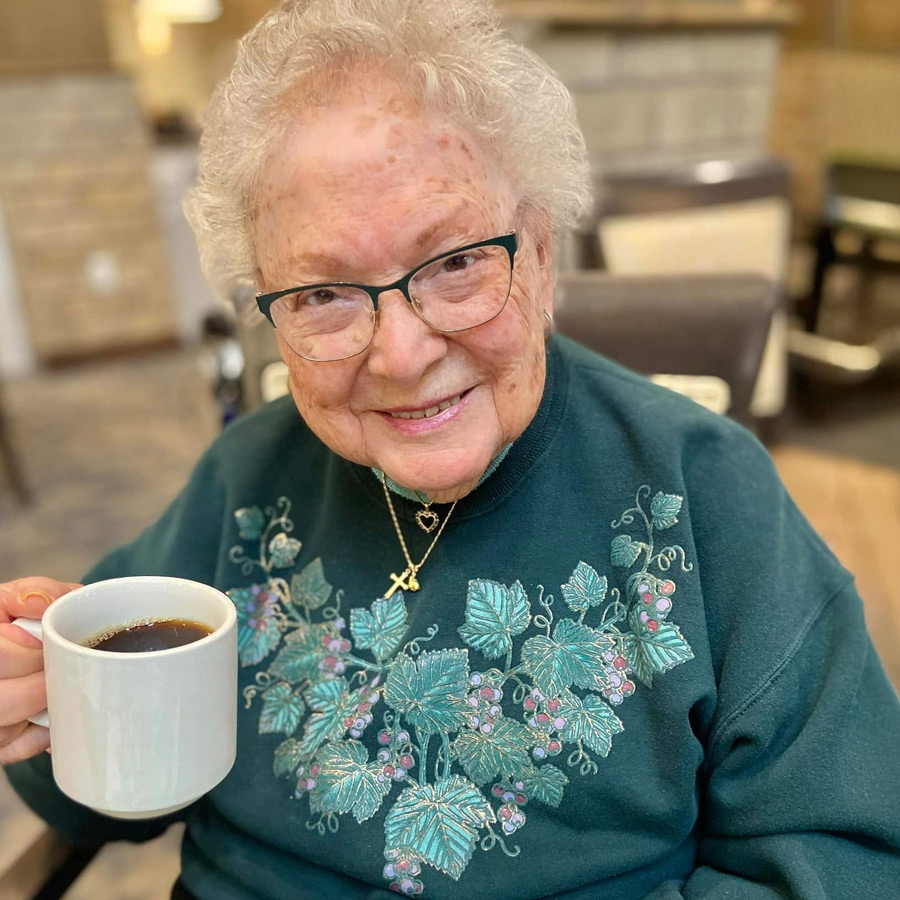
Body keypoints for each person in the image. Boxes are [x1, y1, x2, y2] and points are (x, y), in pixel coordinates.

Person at [3, 1, 900, 897]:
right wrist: (37, 710)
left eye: (456, 263)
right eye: (323, 295)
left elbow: (841, 854)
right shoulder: (244, 480)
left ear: (542, 255)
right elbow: (102, 784)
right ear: (270, 311)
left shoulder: (707, 494)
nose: (401, 354)